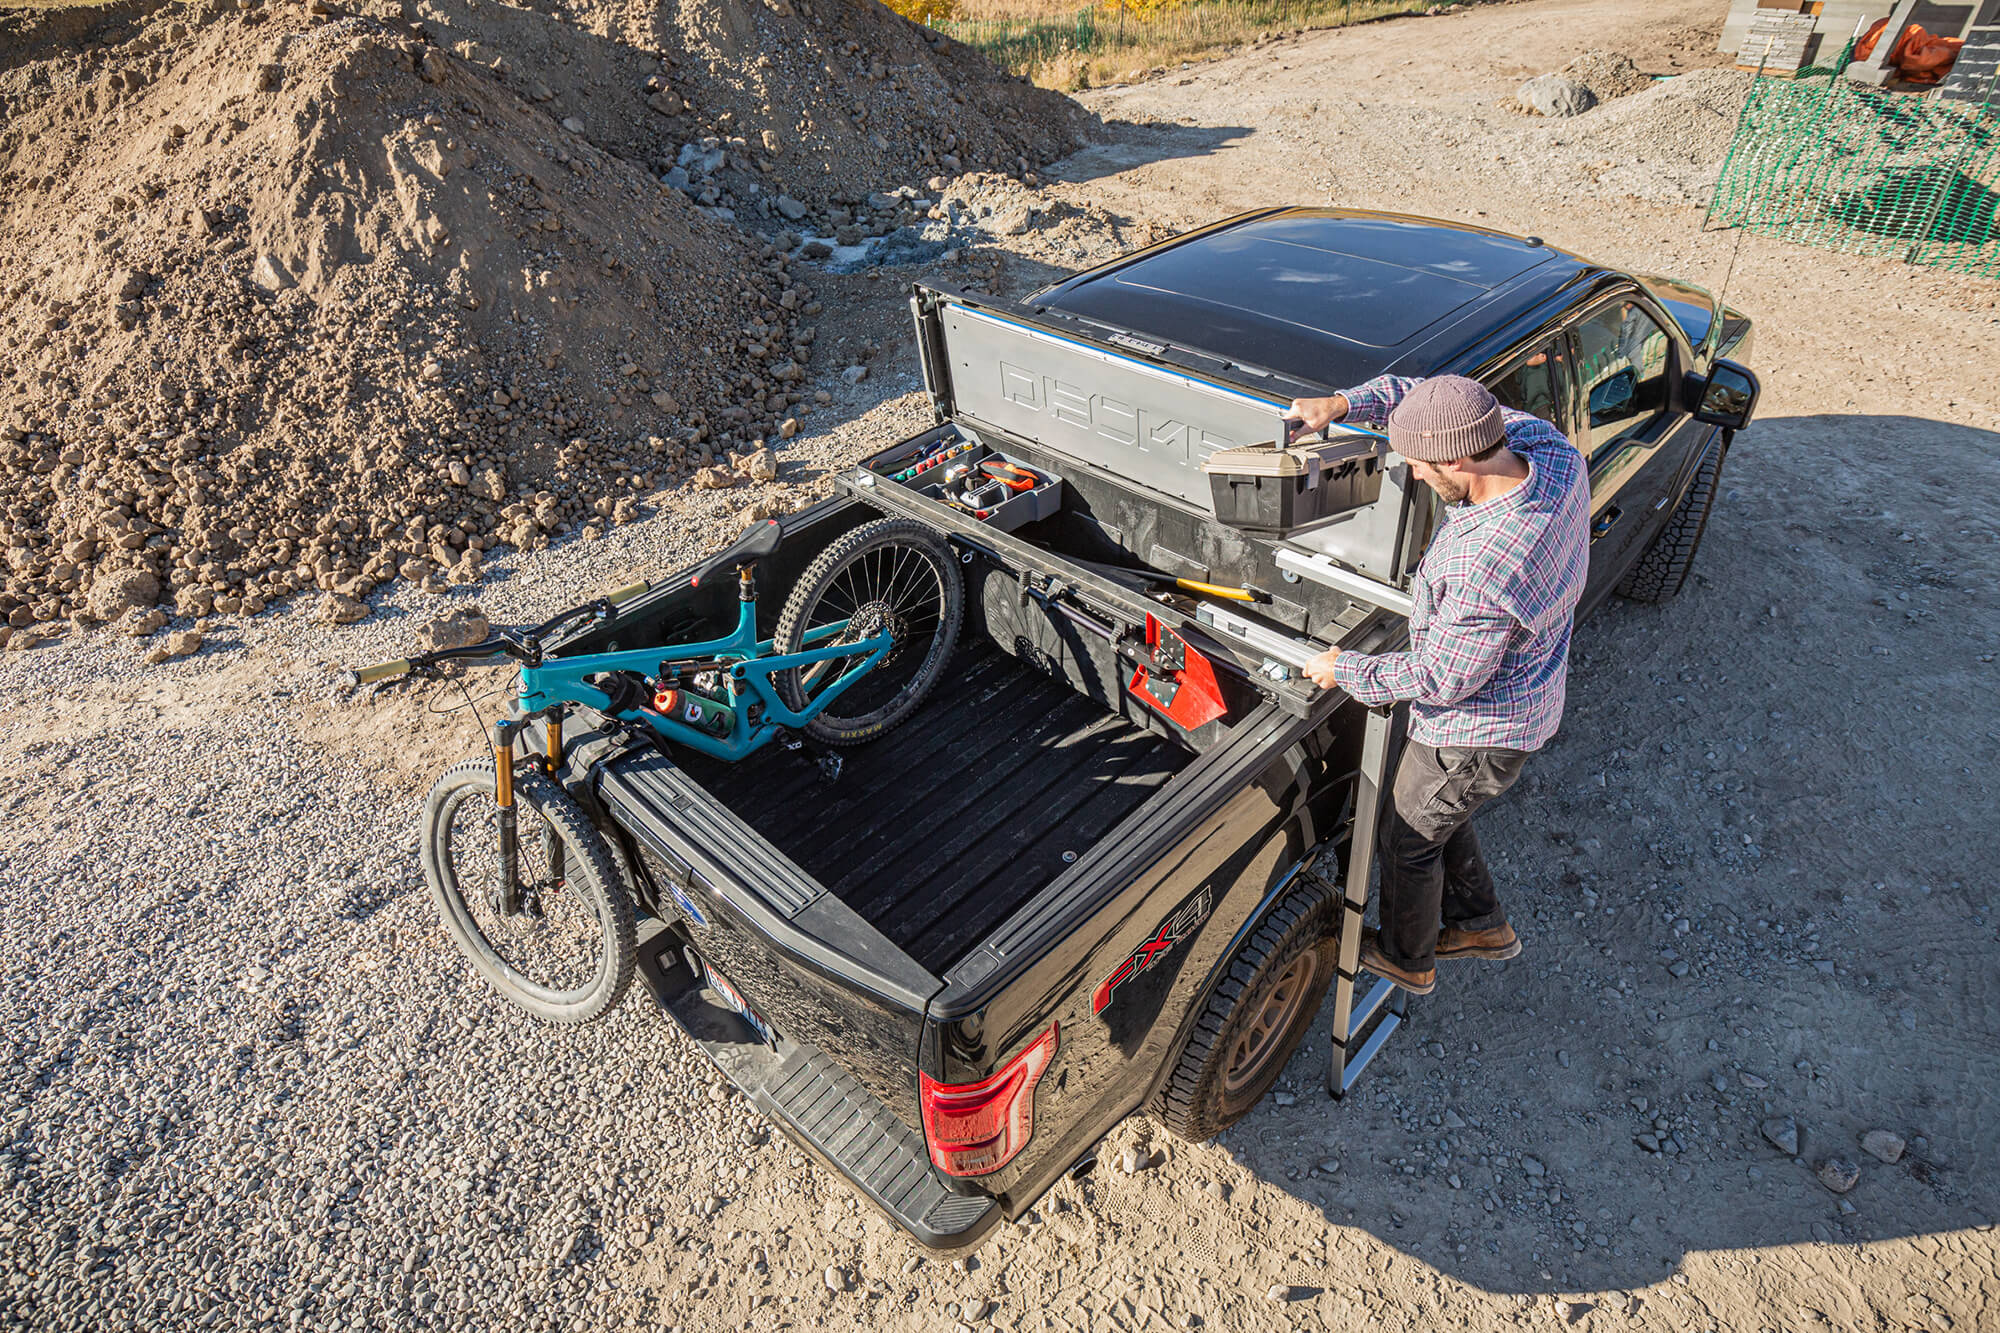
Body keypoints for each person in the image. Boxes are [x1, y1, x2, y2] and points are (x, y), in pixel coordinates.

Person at [1290, 374, 1590, 996]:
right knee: (1441, 812)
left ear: (1456, 458)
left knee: (1406, 833)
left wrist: (1343, 669)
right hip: (1522, 702)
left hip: (1477, 730)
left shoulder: (1485, 563)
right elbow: (1434, 397)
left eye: (1421, 467)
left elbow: (1440, 678)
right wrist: (1343, 405)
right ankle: (1481, 924)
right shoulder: (1548, 450)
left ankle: (1408, 957)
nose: (1416, 476)